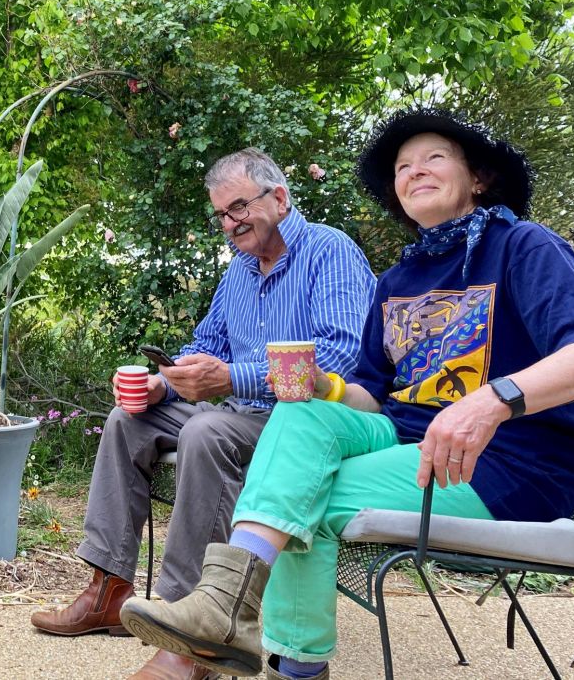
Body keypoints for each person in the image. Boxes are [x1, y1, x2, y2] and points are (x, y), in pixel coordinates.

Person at [119, 109, 574, 680]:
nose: (415, 171)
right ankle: (230, 610)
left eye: (434, 158)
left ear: (479, 178)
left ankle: (276, 653)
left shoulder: (523, 247)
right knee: (302, 417)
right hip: (407, 442)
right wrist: (325, 386)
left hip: (511, 460)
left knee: (299, 496)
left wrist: (489, 400)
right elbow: (372, 397)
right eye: (403, 166)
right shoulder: (400, 281)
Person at [30, 148, 376, 680]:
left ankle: (192, 627)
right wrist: (163, 383)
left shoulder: (330, 252)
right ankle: (108, 588)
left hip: (301, 423)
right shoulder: (238, 270)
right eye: (221, 214)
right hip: (238, 410)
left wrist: (229, 378)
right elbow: (206, 345)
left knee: (207, 429)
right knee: (129, 421)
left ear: (279, 198)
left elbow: (338, 358)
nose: (229, 224)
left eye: (239, 207)